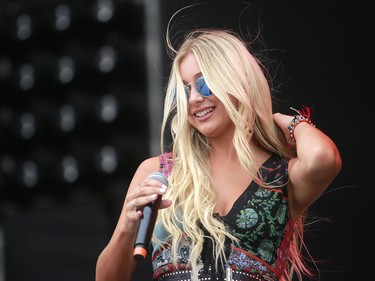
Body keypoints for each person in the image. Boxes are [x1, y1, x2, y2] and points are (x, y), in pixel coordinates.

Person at [95, 28, 342, 281]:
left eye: (203, 83)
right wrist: (127, 227)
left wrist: (286, 121)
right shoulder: (159, 173)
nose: (193, 99)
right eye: (185, 89)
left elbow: (323, 158)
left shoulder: (280, 176)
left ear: (236, 81)